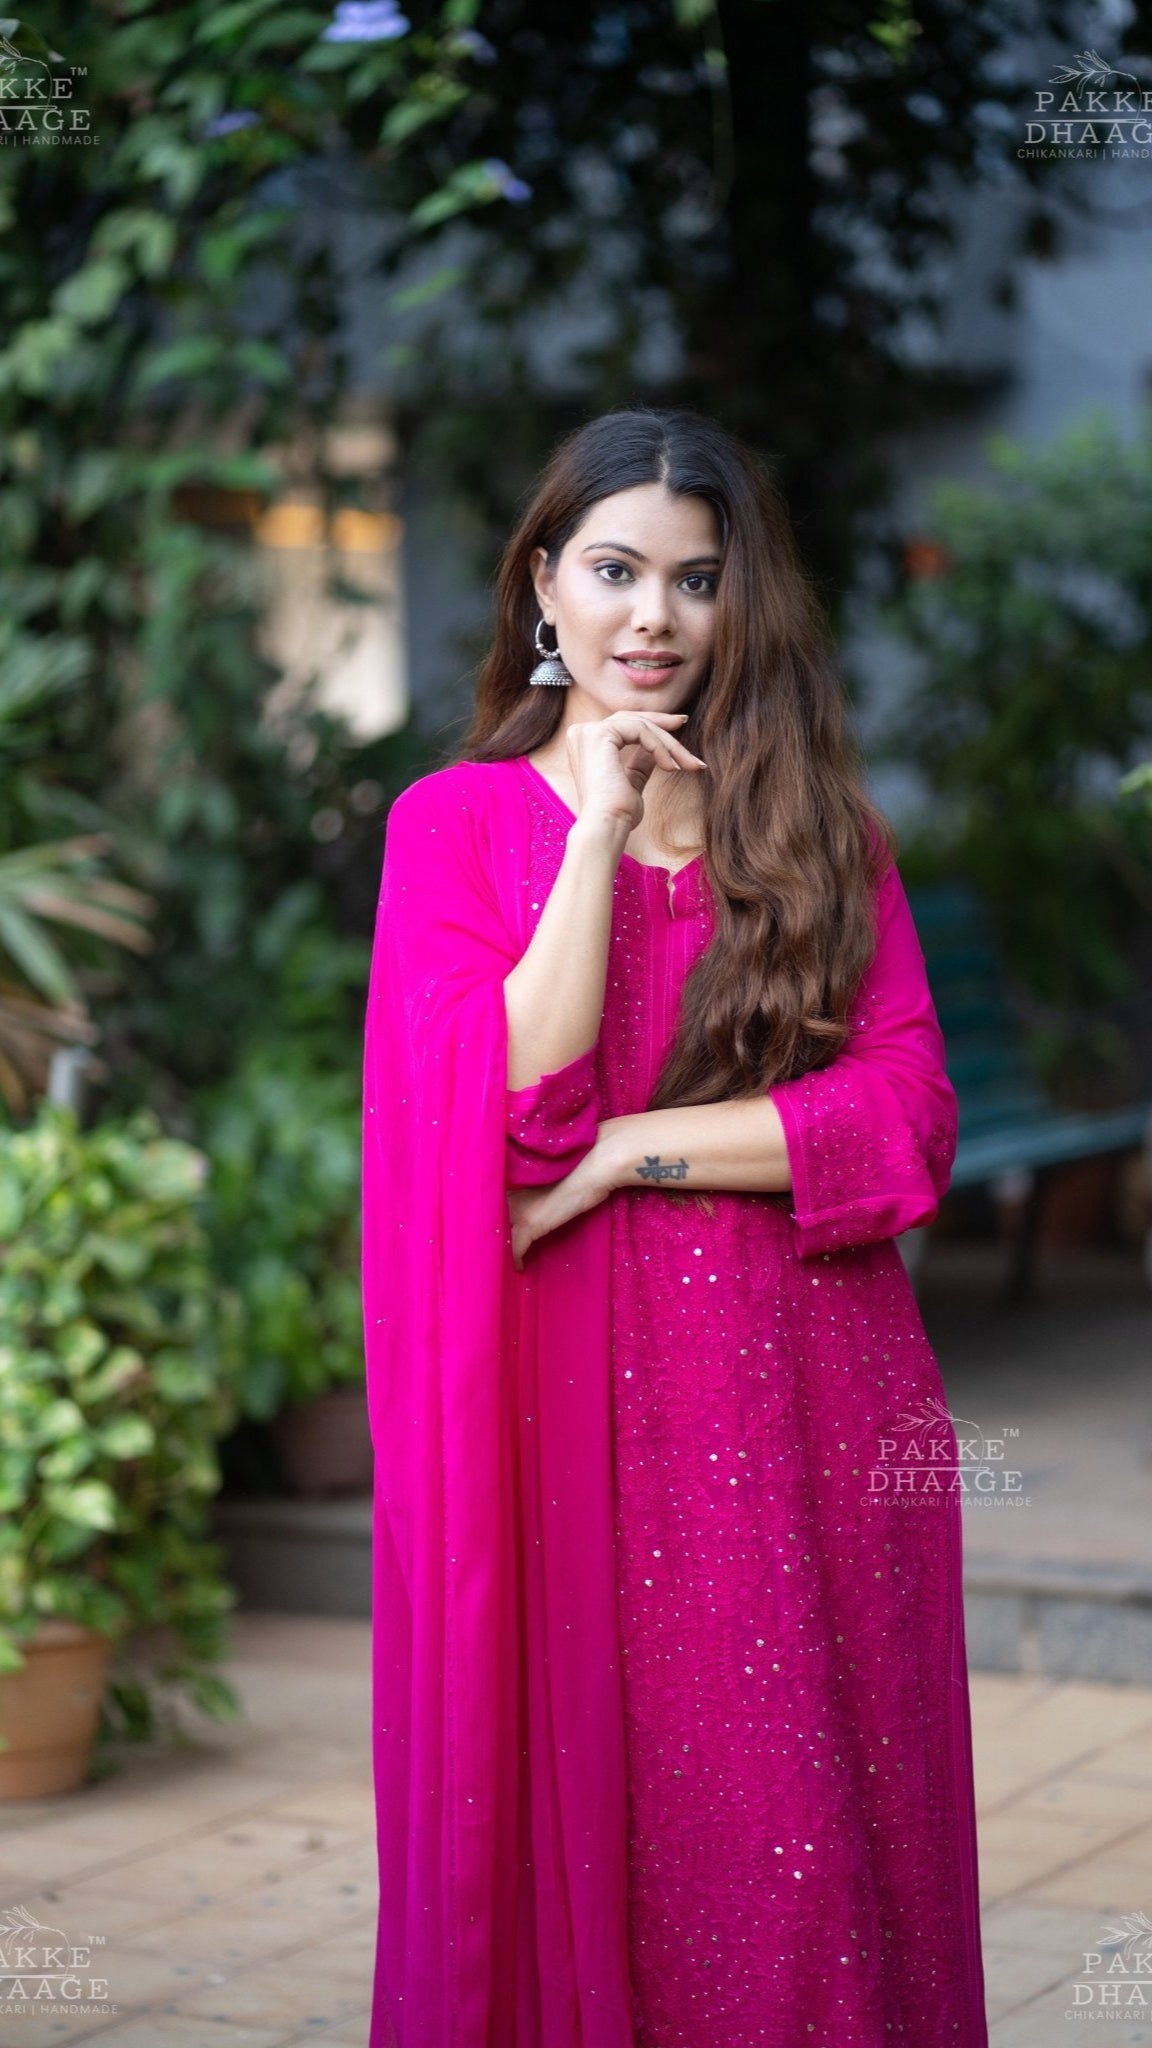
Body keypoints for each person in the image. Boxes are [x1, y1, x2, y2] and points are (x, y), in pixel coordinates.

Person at [361, 407, 988, 2048]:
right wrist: (596, 834)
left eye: (695, 581)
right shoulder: (455, 824)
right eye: (616, 572)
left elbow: (905, 1118)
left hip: (811, 1388)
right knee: (637, 1816)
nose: (655, 617)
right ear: (542, 593)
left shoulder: (820, 836)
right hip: (576, 1403)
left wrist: (631, 1153)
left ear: (737, 605)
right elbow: (515, 1094)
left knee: (808, 1857)